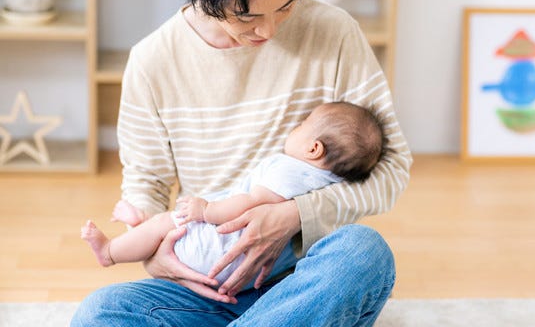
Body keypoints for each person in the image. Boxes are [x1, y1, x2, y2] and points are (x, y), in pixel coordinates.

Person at [71, 0, 412, 325]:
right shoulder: (152, 61)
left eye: (285, 6)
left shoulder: (335, 33)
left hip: (300, 283)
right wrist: (154, 253)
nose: (268, 31)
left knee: (362, 254)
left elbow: (391, 171)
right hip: (211, 283)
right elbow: (147, 182)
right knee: (102, 312)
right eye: (248, 16)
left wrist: (294, 215)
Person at [81, 102, 384, 288]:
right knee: (102, 312)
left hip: (219, 249)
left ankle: (109, 252)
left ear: (313, 148)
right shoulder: (323, 181)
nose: (295, 127)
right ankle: (140, 227)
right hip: (239, 272)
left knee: (165, 224)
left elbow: (250, 204)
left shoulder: (289, 169)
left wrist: (206, 211)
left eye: (303, 125)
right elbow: (145, 173)